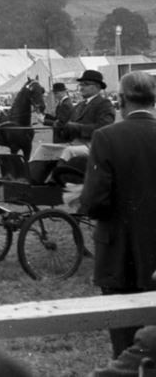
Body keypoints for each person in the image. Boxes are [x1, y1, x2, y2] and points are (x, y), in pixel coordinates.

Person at [79, 71, 156, 359]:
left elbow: (95, 201)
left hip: (119, 254)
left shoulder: (106, 137)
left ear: (121, 100)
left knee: (125, 348)